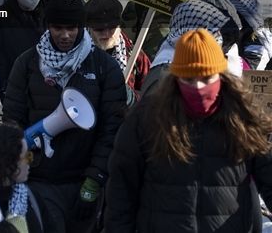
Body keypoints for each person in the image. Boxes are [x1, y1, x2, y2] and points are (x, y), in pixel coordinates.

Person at [106, 29, 272, 232]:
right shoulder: (148, 116)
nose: (199, 87)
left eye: (206, 77)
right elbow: (122, 188)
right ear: (176, 78)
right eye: (189, 79)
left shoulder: (244, 115)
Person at [2, 0, 125, 233]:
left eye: (71, 28)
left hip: (82, 181)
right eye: (58, 27)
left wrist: (94, 180)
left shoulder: (103, 67)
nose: (65, 35)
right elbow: (12, 120)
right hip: (37, 181)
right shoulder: (27, 64)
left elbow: (111, 129)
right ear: (47, 26)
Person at [85, 0, 150, 102]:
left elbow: (151, 92)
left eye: (111, 27)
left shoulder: (134, 54)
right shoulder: (76, 54)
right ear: (89, 27)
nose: (106, 33)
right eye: (99, 28)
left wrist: (131, 97)